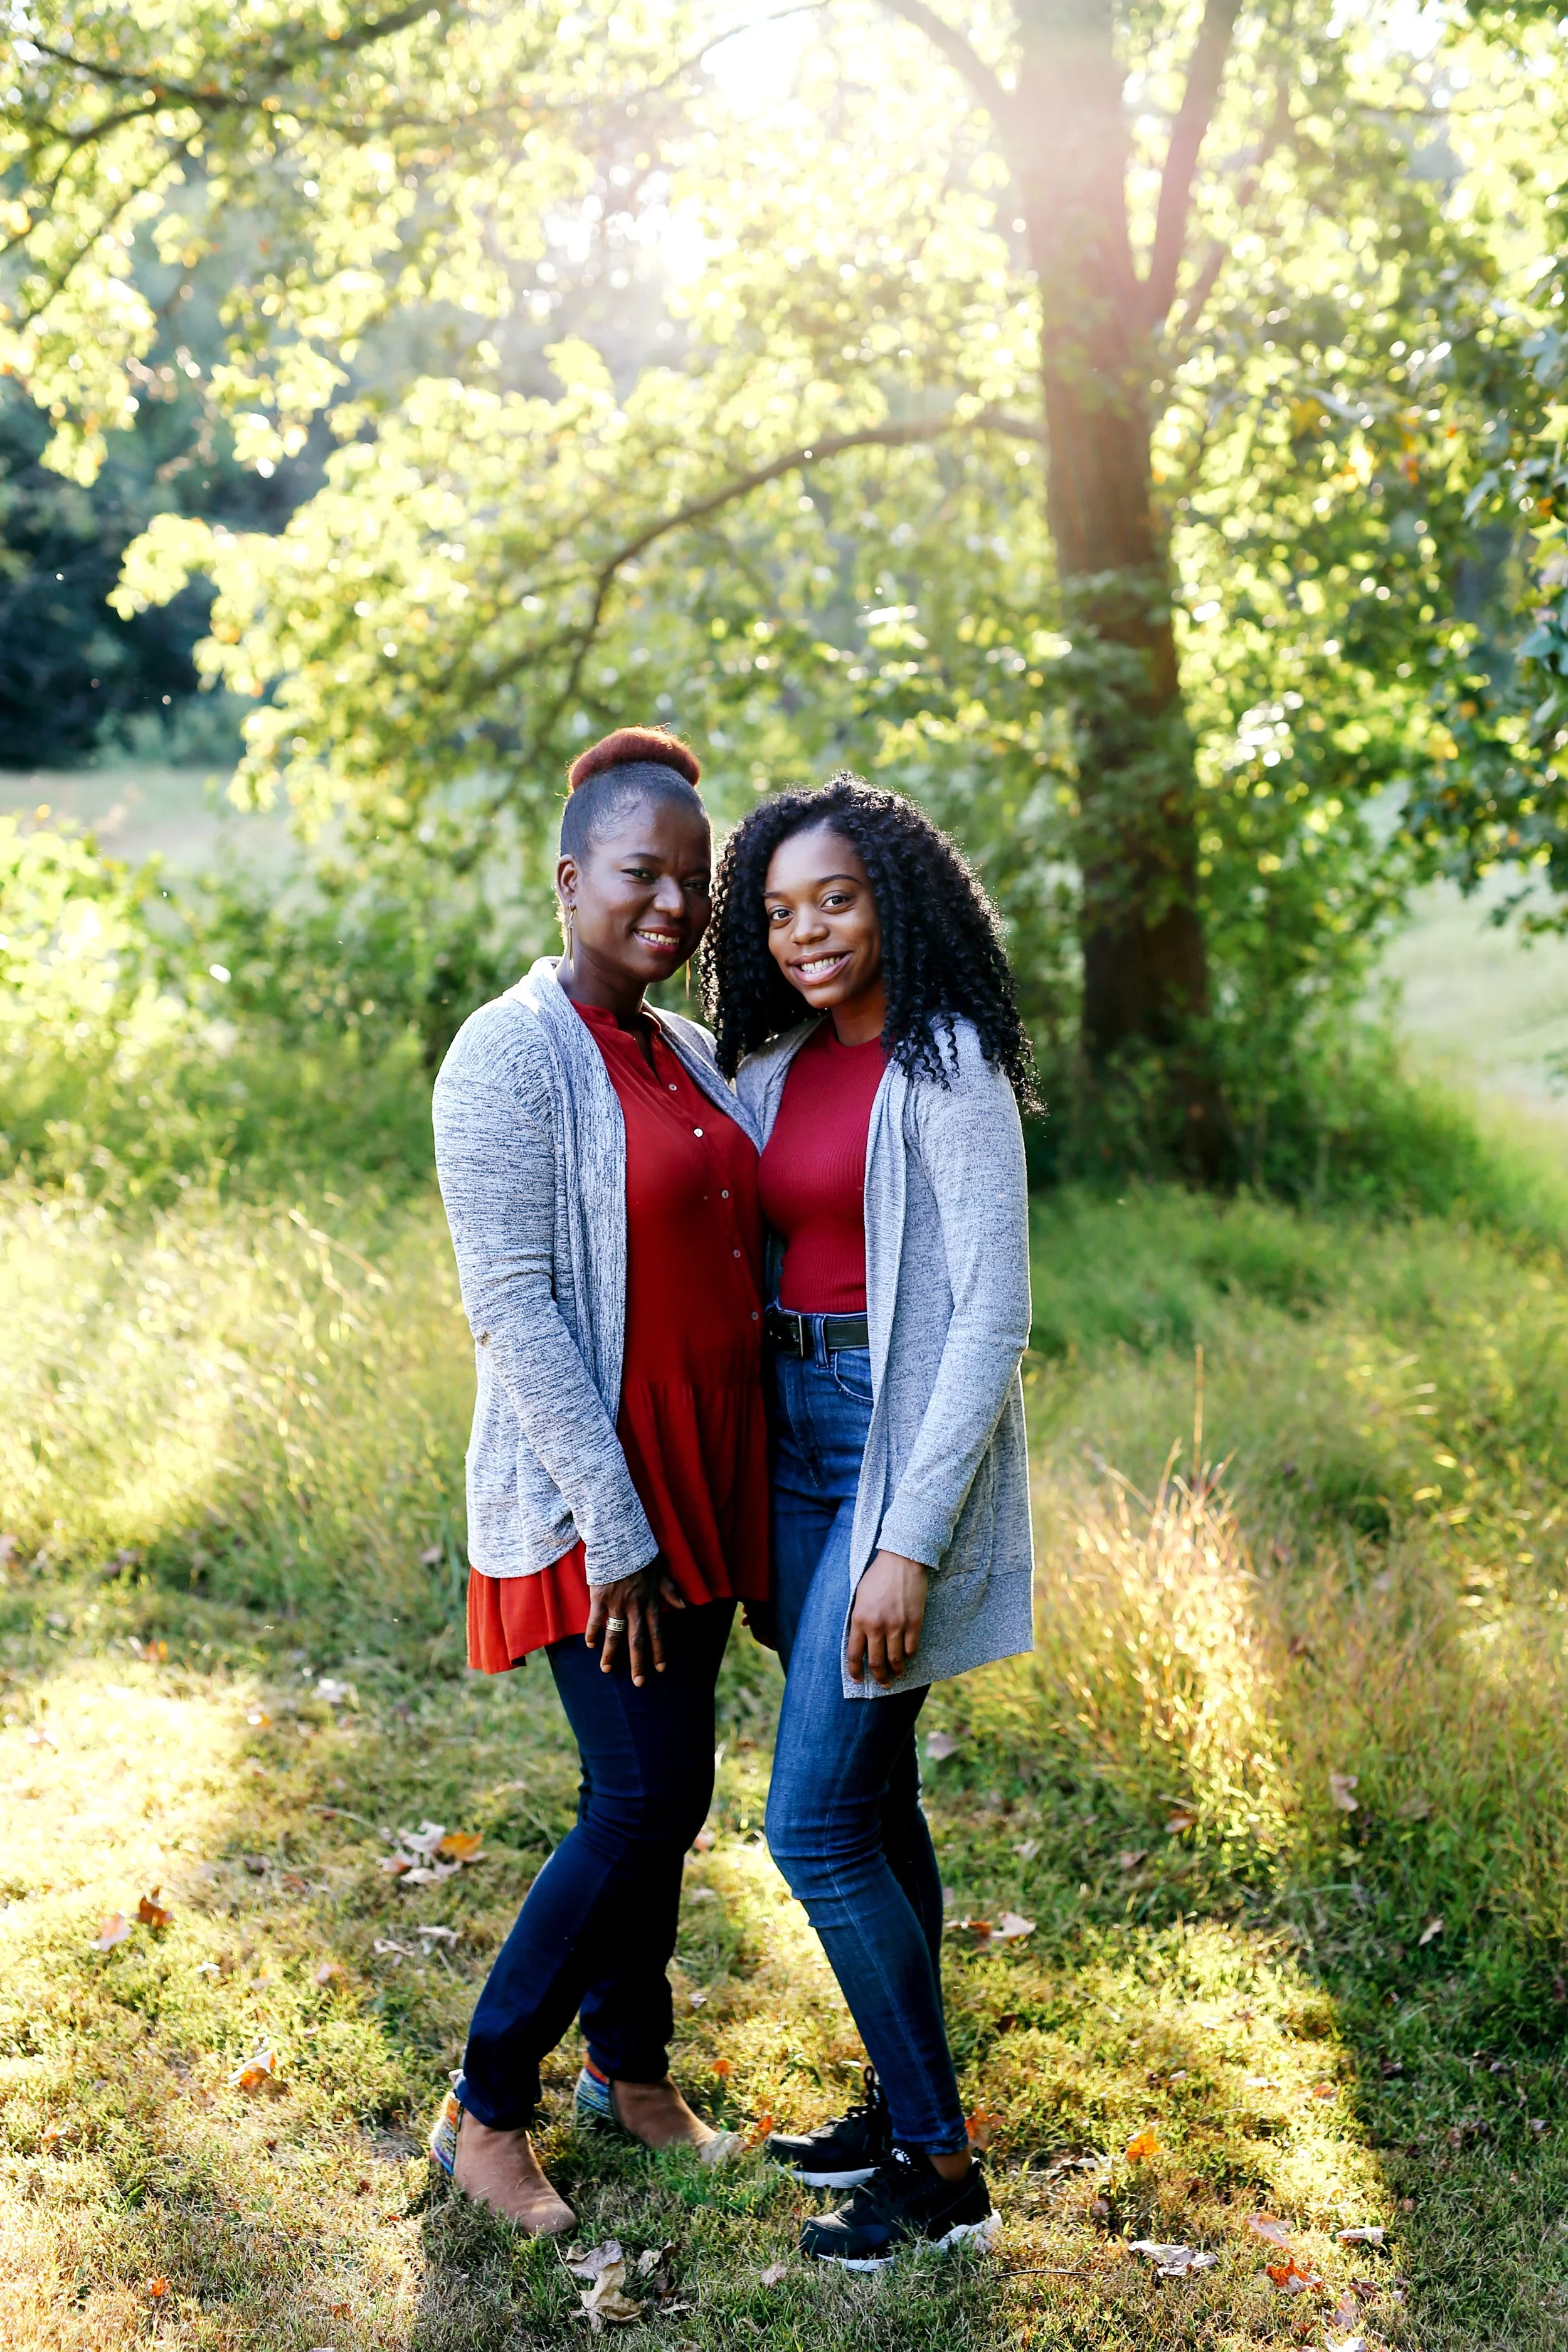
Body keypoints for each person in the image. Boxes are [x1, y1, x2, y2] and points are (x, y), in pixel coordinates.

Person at [426, 726, 769, 2233]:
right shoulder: (507, 1052)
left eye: (693, 883)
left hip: (699, 1479)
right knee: (640, 1799)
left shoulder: (685, 1048)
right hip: (594, 1497)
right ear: (570, 879)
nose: (672, 906)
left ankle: (629, 2074)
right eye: (640, 874)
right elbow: (509, 1301)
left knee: (659, 1796)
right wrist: (614, 1532)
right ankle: (484, 2106)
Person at [702, 773, 1037, 2269]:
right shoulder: (771, 1069)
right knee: (876, 1794)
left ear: (892, 898)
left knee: (813, 1820)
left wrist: (904, 1537)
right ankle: (898, 2105)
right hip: (788, 1446)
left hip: (884, 1446)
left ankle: (940, 2169)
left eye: (833, 899)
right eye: (777, 912)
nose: (806, 932)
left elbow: (989, 1318)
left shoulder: (943, 1062)